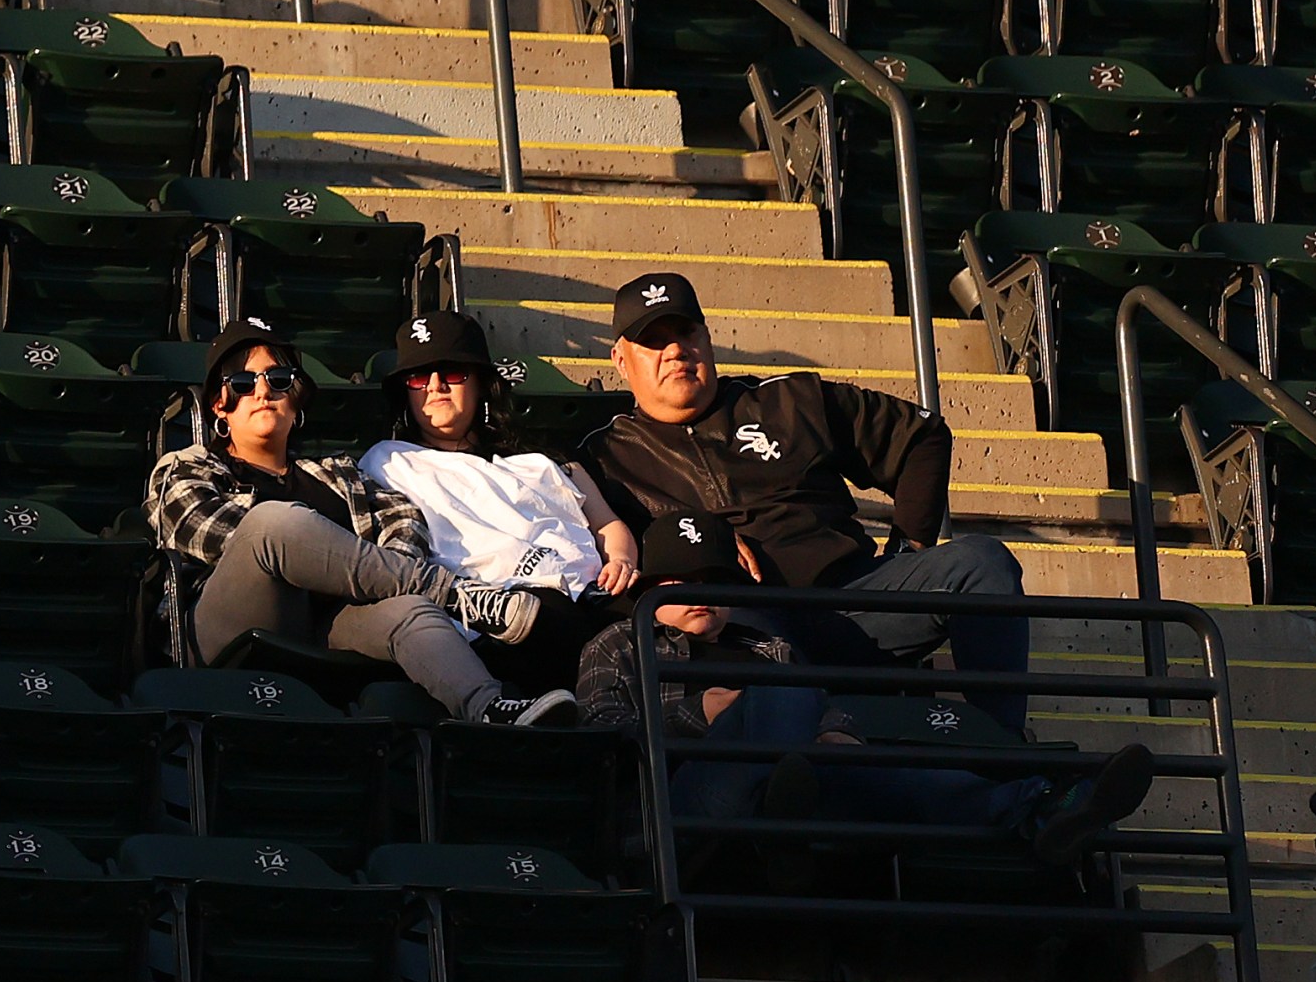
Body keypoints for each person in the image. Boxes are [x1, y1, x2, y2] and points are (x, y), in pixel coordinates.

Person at [579, 270, 1032, 731]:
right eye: (653, 341)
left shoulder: (788, 400)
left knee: (981, 563)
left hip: (856, 596)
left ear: (708, 338)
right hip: (740, 630)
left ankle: (1002, 744)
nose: (676, 350)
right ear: (620, 359)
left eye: (686, 332)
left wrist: (908, 546)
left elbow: (922, 435)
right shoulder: (604, 455)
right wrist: (704, 545)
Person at [576, 512, 1156, 871]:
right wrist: (694, 716)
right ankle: (782, 818)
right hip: (686, 801)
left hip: (803, 782)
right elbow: (602, 742)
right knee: (786, 693)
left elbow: (821, 708)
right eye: (680, 581)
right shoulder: (618, 645)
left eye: (713, 580)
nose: (699, 593)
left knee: (875, 761)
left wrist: (839, 731)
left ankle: (1043, 809)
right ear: (650, 587)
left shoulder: (763, 645)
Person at [146, 315, 575, 726]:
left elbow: (405, 522)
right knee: (272, 523)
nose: (262, 392)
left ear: (297, 398)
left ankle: (490, 708)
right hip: (232, 625)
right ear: (220, 405)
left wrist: (368, 576)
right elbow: (205, 533)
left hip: (332, 625)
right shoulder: (187, 467)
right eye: (242, 382)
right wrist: (330, 553)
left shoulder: (339, 474)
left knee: (410, 607)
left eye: (278, 380)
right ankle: (457, 596)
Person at [358, 310, 640, 688]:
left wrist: (621, 559)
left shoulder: (545, 462)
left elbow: (607, 523)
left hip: (595, 595)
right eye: (419, 377)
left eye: (453, 373)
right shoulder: (388, 462)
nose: (436, 386)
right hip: (499, 619)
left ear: (481, 385)